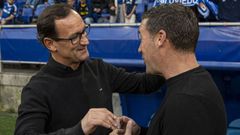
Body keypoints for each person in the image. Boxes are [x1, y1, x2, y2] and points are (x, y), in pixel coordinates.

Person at [14, 3, 165, 135]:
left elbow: (144, 84)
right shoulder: (37, 89)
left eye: (84, 31)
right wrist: (81, 128)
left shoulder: (98, 68)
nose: (86, 41)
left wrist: (170, 59)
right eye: (75, 37)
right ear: (50, 44)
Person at [112, 3, 227, 135]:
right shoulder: (192, 88)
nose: (140, 49)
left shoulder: (186, 102)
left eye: (141, 38)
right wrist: (139, 132)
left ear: (160, 38)